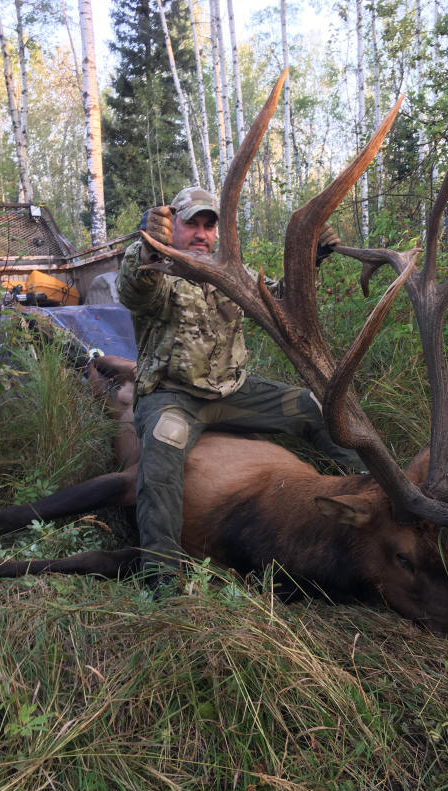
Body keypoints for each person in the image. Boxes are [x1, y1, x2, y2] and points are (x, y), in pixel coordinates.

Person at [116, 185, 363, 579]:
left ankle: (368, 497)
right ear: (172, 227)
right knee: (164, 445)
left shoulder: (231, 273)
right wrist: (148, 248)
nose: (201, 233)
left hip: (233, 392)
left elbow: (280, 301)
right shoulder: (156, 270)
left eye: (208, 226)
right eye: (190, 224)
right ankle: (160, 573)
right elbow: (134, 289)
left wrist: (309, 259)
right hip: (171, 396)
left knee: (314, 406)